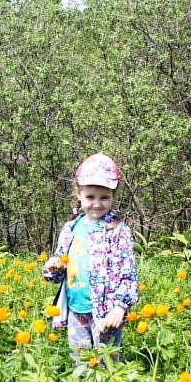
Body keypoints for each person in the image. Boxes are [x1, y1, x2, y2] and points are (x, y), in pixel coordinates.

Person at [42, 152, 138, 365]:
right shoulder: (71, 228)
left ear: (113, 195)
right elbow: (59, 269)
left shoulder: (117, 231)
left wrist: (120, 307)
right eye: (90, 197)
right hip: (77, 309)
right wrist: (53, 266)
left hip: (106, 311)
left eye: (104, 197)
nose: (97, 204)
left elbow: (127, 273)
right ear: (78, 193)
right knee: (81, 361)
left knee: (105, 362)